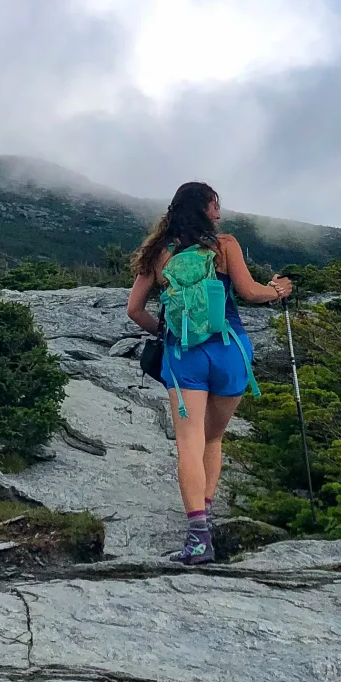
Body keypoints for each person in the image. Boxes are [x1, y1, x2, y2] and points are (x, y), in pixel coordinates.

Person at [126, 181, 291, 564]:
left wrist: (163, 331)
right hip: (230, 350)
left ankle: (198, 538)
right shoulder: (224, 245)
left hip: (184, 355)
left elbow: (134, 309)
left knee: (189, 443)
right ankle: (208, 513)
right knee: (213, 439)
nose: (220, 211)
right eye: (217, 205)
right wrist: (279, 290)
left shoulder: (159, 254)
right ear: (208, 209)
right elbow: (250, 292)